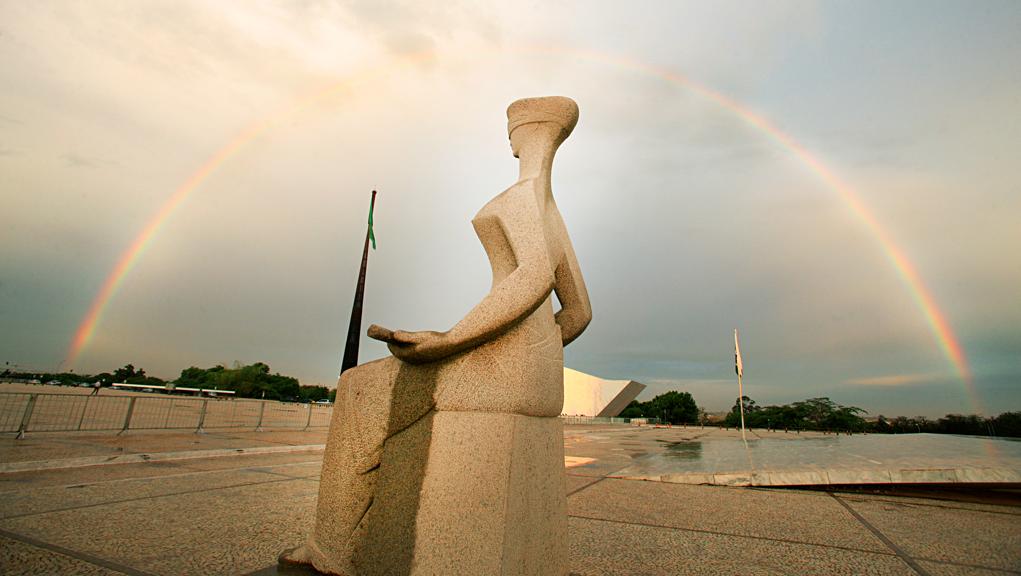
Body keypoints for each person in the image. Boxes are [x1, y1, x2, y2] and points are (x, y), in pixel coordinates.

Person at [283, 96, 590, 575]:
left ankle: (331, 549)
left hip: (504, 372)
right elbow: (579, 313)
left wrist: (447, 342)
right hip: (542, 377)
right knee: (379, 385)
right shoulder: (553, 213)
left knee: (358, 389)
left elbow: (532, 279)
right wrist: (537, 352)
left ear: (521, 134)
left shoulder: (517, 198)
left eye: (509, 129)